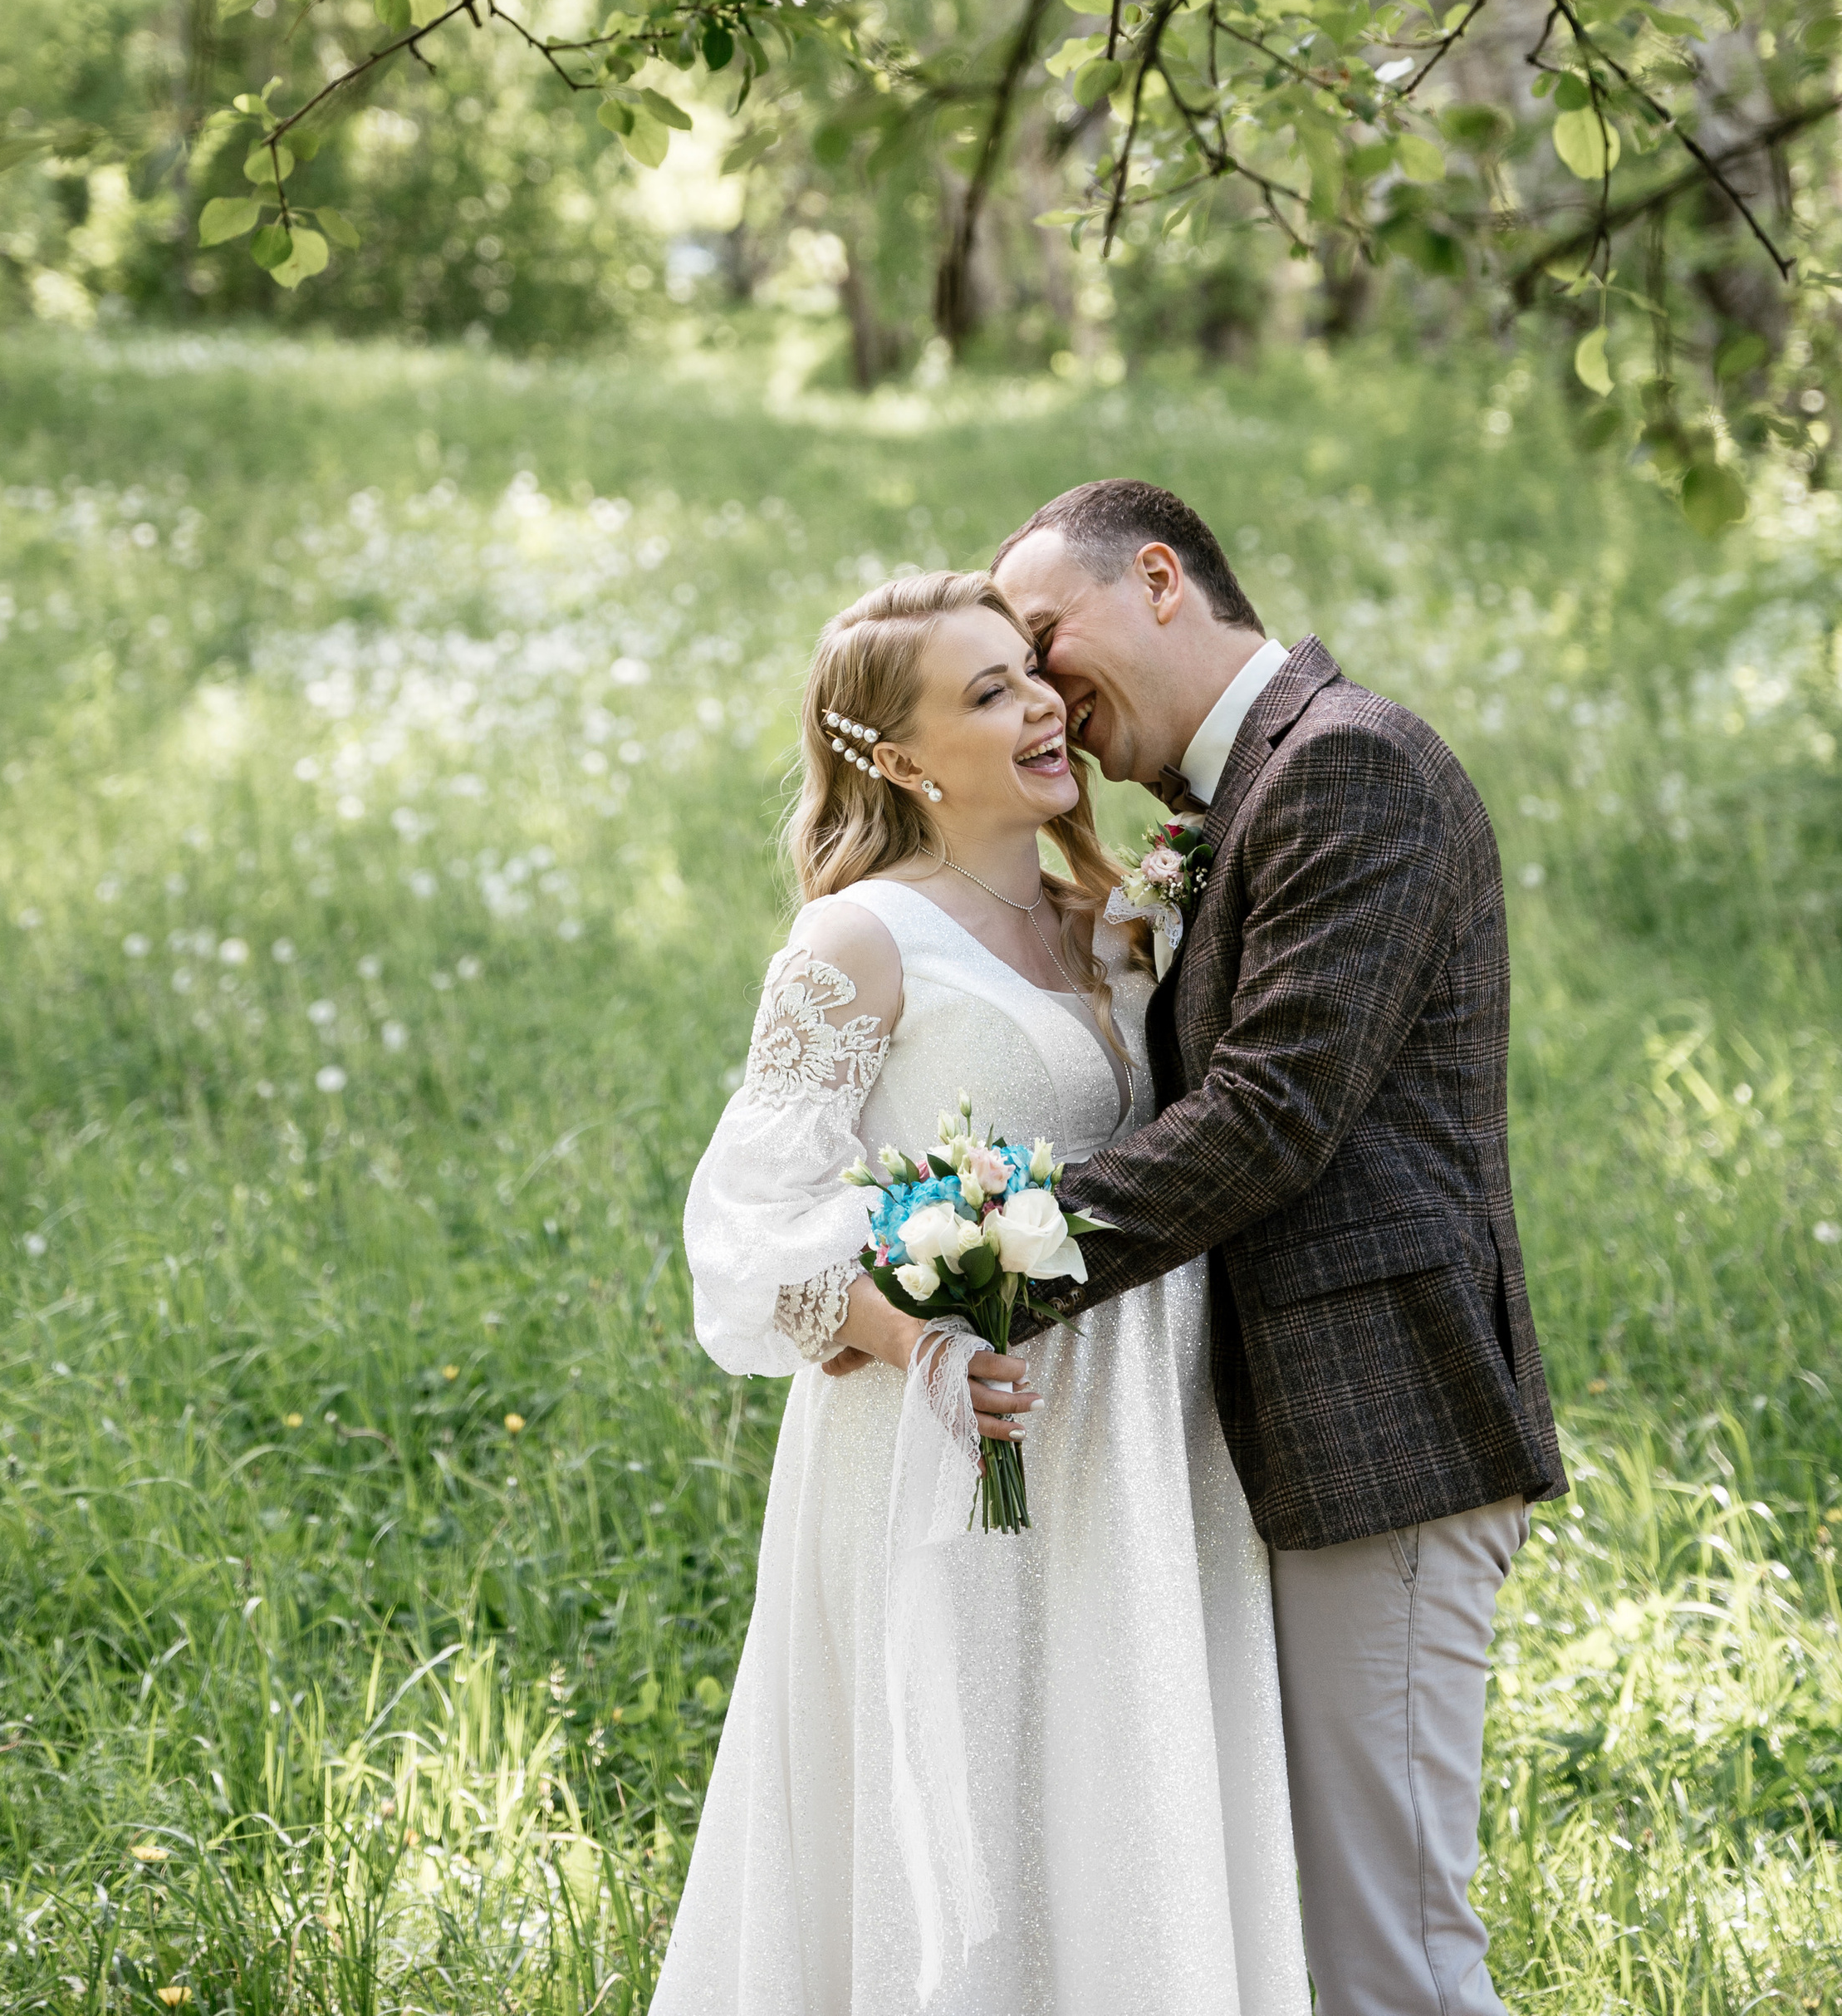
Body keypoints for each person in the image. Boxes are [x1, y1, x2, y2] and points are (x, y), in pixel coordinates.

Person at [654, 569, 1309, 2016]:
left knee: (1121, 1785)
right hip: (956, 1441)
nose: (1041, 708)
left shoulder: (1119, 918)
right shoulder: (860, 943)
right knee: (969, 1807)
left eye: (1030, 669)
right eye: (987, 692)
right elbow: (747, 1223)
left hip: (1145, 1440)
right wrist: (914, 1343)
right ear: (895, 757)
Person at [992, 478, 1565, 2016]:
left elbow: (1271, 1113)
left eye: (1047, 639)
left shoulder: (1349, 766)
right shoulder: (1231, 800)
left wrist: (993, 1270)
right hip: (1288, 1447)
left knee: (1397, 1963)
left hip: (1384, 1434)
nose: (1040, 692)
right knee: (1313, 1953)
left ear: (1161, 578)